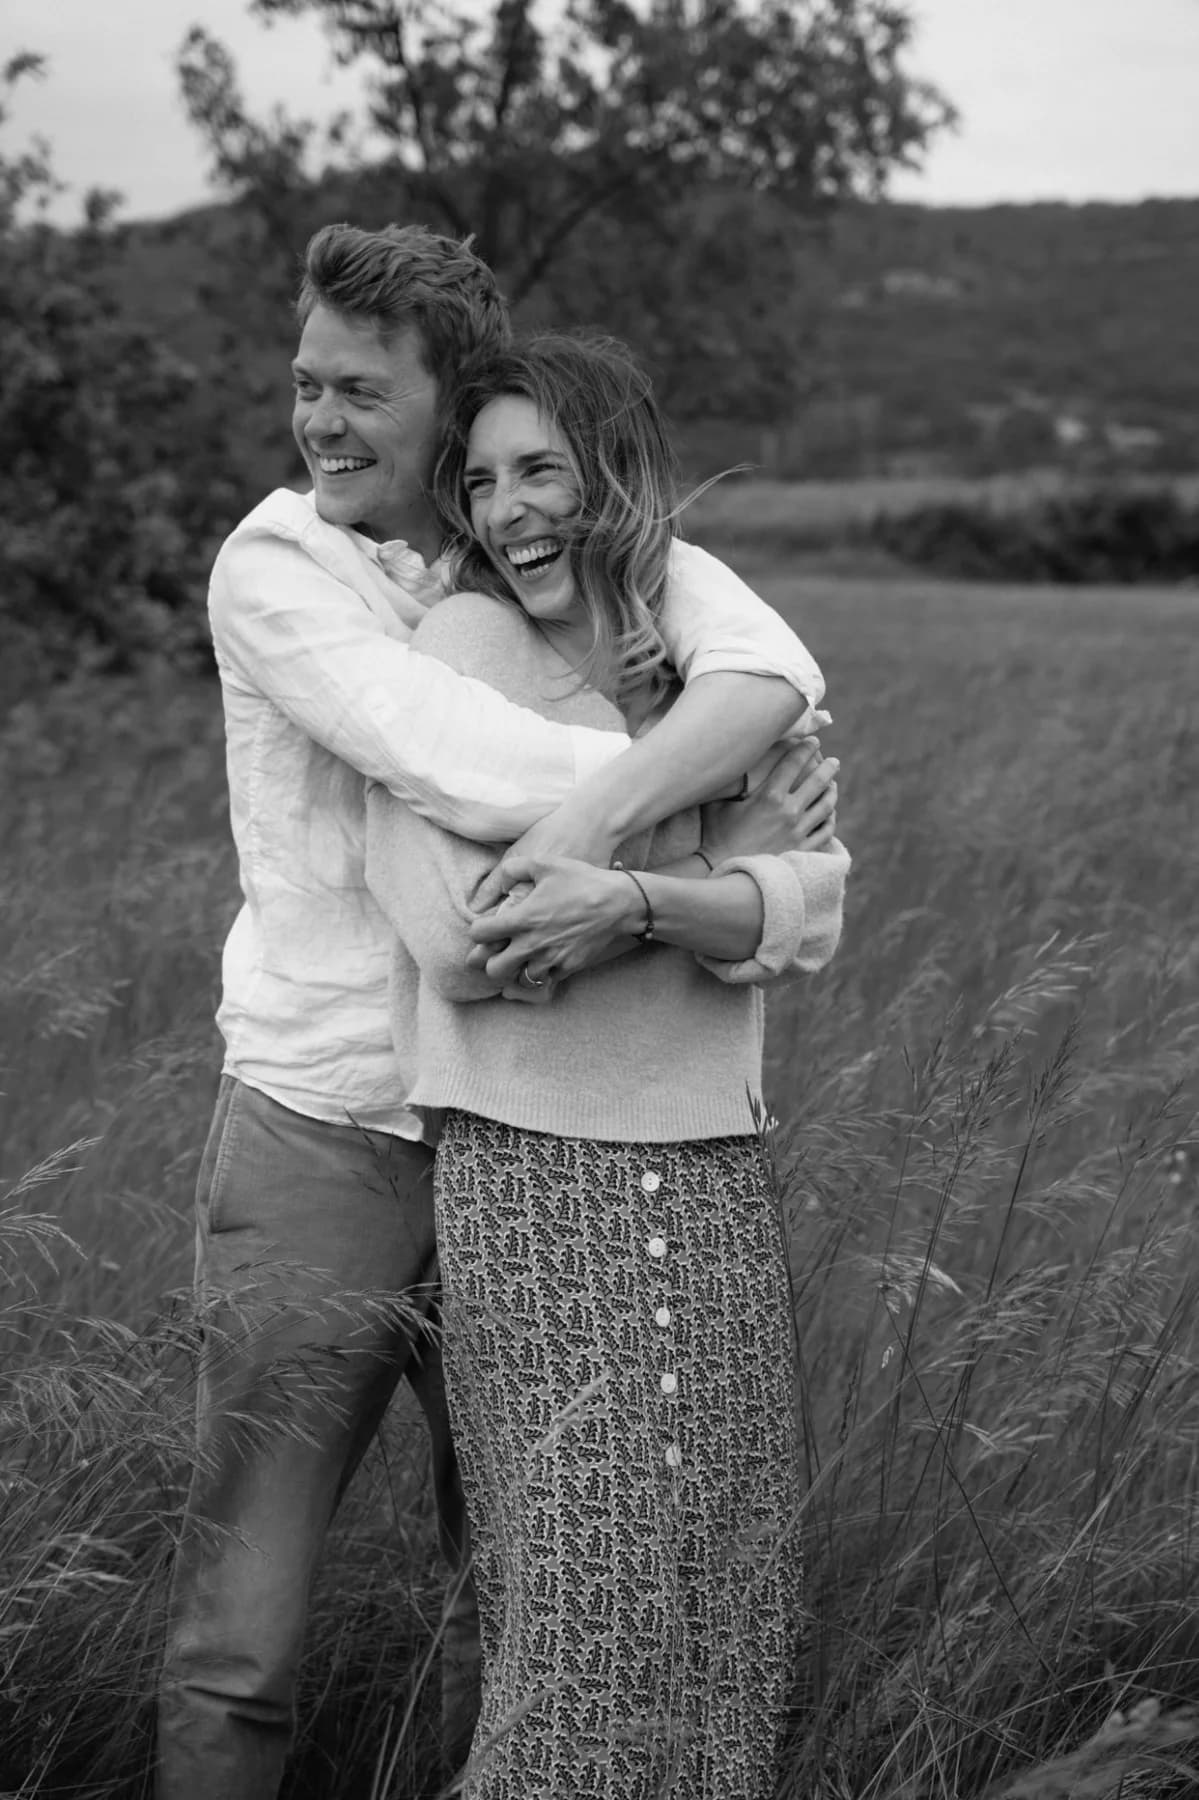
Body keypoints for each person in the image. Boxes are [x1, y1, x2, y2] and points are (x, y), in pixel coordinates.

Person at [156, 222, 834, 1800]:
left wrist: (747, 773)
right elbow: (451, 757)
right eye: (304, 384)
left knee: (538, 1591)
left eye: (359, 393)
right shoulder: (281, 563)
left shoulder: (569, 537)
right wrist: (718, 800)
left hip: (523, 1155)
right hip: (323, 1132)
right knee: (242, 1630)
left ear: (450, 399)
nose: (319, 423)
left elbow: (780, 667)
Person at [364, 332, 851, 1799]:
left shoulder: (700, 669)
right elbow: (466, 942)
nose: (509, 510)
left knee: (722, 1579)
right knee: (588, 1587)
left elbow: (812, 906)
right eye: (482, 478)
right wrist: (712, 874)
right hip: (535, 1168)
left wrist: (649, 895)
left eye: (544, 473)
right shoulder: (451, 660)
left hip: (708, 1153)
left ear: (614, 482)